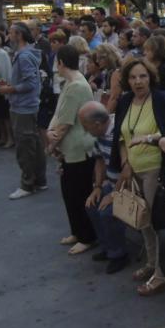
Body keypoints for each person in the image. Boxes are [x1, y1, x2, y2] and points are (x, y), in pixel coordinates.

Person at [111, 57, 165, 295]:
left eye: (142, 76)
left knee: (157, 222)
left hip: (156, 169)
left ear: (151, 77)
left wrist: (151, 140)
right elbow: (122, 137)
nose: (138, 81)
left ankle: (162, 274)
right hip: (133, 169)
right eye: (133, 77)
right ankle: (152, 263)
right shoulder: (125, 101)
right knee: (141, 220)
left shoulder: (164, 100)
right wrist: (125, 163)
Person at [47, 45, 98, 254]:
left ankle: (87, 236)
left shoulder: (76, 85)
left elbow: (65, 122)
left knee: (78, 194)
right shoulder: (71, 82)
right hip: (70, 148)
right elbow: (59, 114)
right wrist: (51, 133)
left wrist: (51, 143)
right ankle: (77, 231)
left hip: (78, 148)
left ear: (61, 62)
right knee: (69, 193)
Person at [79, 101, 129, 275]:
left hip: (127, 186)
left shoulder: (119, 132)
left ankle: (119, 254)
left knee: (107, 212)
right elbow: (99, 160)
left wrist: (114, 194)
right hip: (112, 183)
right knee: (92, 205)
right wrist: (98, 187)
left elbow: (127, 170)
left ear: (97, 124)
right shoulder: (100, 134)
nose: (85, 130)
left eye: (86, 126)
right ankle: (108, 247)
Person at [0, 23, 47, 199]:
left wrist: (10, 89)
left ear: (19, 35)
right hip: (27, 105)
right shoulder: (25, 54)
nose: (8, 36)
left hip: (23, 106)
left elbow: (30, 83)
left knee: (25, 146)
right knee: (34, 143)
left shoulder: (24, 56)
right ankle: (39, 180)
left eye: (11, 33)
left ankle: (28, 184)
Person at [90, 43, 123, 114]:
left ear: (108, 57)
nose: (97, 61)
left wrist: (105, 116)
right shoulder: (107, 72)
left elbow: (114, 98)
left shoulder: (117, 72)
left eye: (99, 58)